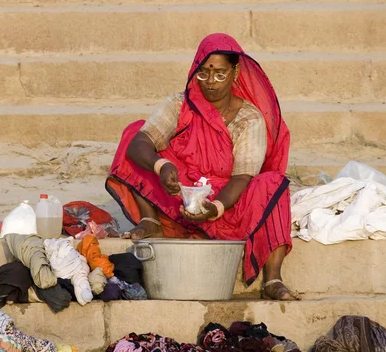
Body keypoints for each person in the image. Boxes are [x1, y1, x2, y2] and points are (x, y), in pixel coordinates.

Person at [106, 33, 300, 300]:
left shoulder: (249, 118)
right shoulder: (180, 105)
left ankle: (273, 279)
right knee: (134, 132)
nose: (211, 83)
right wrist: (162, 165)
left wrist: (215, 207)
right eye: (204, 74)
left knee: (274, 184)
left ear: (235, 72)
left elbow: (244, 176)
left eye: (220, 74)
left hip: (226, 202)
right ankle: (151, 219)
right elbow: (142, 141)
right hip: (178, 194)